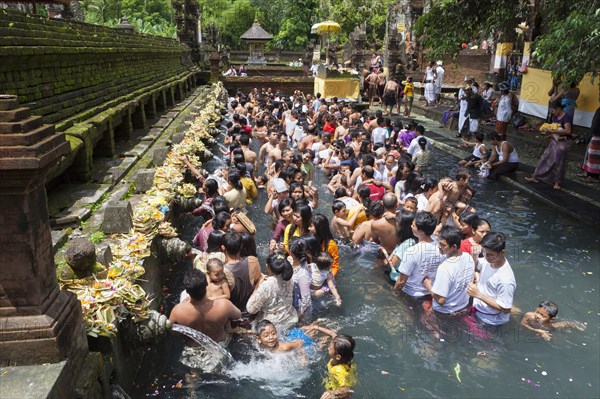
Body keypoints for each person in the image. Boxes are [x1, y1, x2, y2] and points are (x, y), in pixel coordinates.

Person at [169, 269, 241, 343]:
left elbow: (170, 332)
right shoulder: (224, 305)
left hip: (193, 351)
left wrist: (183, 304)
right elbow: (238, 315)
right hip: (220, 346)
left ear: (187, 291)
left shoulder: (177, 311)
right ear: (206, 284)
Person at [423, 226, 475, 315]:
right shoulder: (468, 257)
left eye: (443, 244)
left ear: (454, 246)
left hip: (444, 312)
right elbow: (471, 281)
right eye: (438, 242)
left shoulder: (445, 268)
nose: (438, 246)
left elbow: (441, 300)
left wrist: (427, 284)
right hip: (462, 306)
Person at [467, 232, 516, 326]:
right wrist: (474, 256)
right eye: (484, 252)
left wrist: (478, 295)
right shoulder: (490, 260)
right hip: (478, 310)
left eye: (490, 254)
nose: (486, 256)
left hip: (490, 321)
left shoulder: (505, 280)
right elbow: (477, 266)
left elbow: (506, 309)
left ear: (502, 252)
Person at [393, 211, 446, 298]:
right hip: (429, 293)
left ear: (421, 231)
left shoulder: (412, 251)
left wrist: (393, 294)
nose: (411, 226)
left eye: (413, 225)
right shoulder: (441, 247)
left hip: (410, 294)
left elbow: (401, 281)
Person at [525, 101, 573, 189]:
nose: (552, 112)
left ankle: (557, 182)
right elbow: (553, 128)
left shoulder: (566, 117)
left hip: (564, 143)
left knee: (559, 162)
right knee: (545, 158)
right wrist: (549, 133)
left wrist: (553, 131)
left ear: (558, 109)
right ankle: (535, 176)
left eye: (553, 110)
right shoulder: (555, 117)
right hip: (555, 141)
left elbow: (568, 131)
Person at [302, 324, 357, 399]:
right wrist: (316, 327)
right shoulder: (345, 355)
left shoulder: (338, 370)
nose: (328, 348)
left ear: (338, 357)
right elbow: (333, 334)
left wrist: (332, 393)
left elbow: (346, 389)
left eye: (330, 348)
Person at [246, 252, 298, 330]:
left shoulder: (266, 286)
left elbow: (251, 309)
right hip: (290, 319)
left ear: (267, 266)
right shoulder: (289, 279)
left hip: (272, 326)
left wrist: (257, 286)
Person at [520, 300, 586, 341]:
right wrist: (538, 331)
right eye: (537, 312)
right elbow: (523, 324)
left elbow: (565, 323)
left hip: (546, 329)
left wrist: (576, 325)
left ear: (551, 319)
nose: (538, 316)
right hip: (532, 330)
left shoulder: (551, 325)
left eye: (543, 315)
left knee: (552, 339)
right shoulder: (529, 315)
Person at [389, 210, 417, 282]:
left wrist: (386, 261)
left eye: (397, 221)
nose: (396, 223)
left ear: (403, 226)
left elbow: (393, 264)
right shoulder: (413, 240)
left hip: (396, 279)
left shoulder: (407, 244)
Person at [289, 237, 313, 320]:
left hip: (300, 312)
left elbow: (306, 301)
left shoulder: (302, 275)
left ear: (291, 252)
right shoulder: (292, 262)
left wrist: (296, 317)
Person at [578, 91, 600, 182]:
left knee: (594, 156)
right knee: (589, 155)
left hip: (598, 135)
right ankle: (587, 172)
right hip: (593, 134)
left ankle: (593, 176)